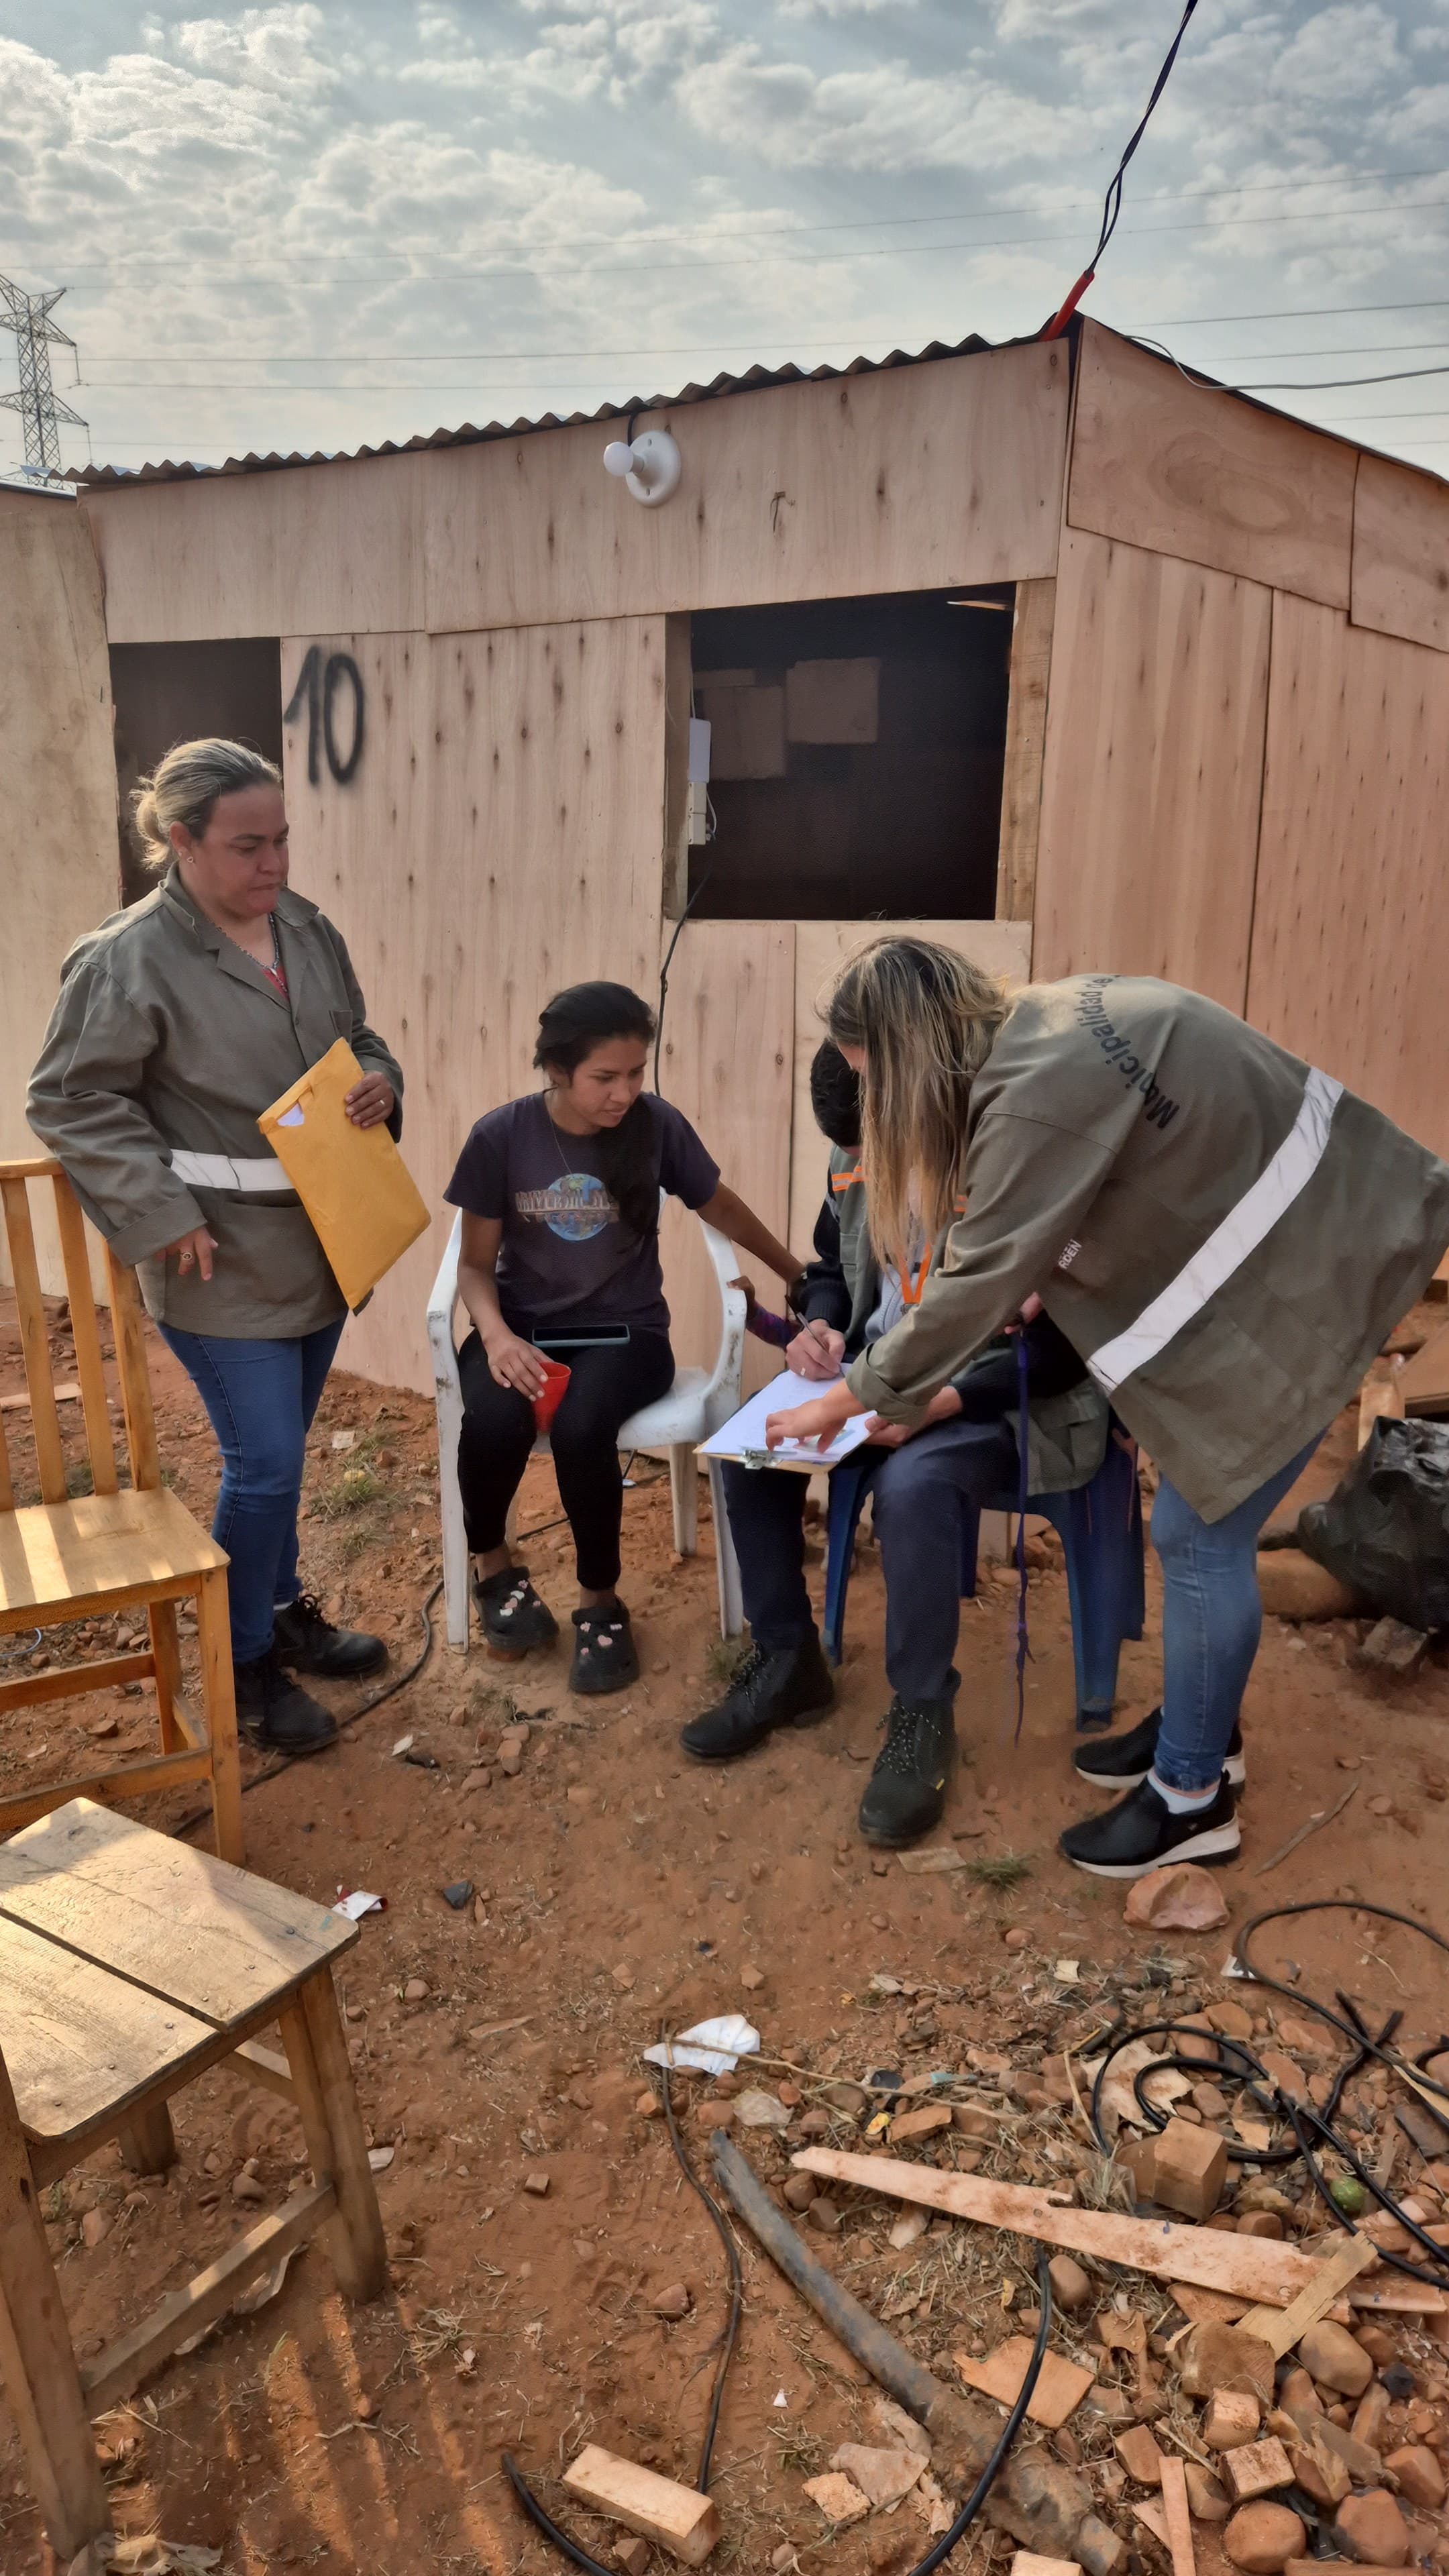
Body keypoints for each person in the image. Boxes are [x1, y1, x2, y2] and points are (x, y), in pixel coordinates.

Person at [770, 940, 1449, 1878]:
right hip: (1321, 1236)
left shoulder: (1028, 1095)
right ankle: (1205, 1733)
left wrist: (849, 1399)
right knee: (1194, 1532)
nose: (875, 1107)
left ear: (910, 1052)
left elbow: (973, 1285)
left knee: (1196, 1538)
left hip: (1325, 1264)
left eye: (870, 1079)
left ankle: (1191, 1800)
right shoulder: (1042, 1029)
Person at [28, 737, 402, 1756]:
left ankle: (278, 1611)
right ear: (182, 840)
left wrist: (382, 1081)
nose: (273, 863)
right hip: (215, 1254)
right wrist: (160, 1212)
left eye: (281, 839)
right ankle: (243, 1670)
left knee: (282, 1455)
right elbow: (68, 1097)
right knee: (265, 1462)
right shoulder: (127, 959)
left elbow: (358, 1039)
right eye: (247, 846)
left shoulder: (305, 929)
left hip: (324, 1234)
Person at [682, 1041, 1106, 1845]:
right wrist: (821, 1324)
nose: (862, 1167)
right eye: (852, 1152)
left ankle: (921, 1711)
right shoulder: (852, 1157)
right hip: (875, 1378)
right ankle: (789, 1660)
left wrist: (942, 1400)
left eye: (874, 1148)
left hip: (994, 1398)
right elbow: (829, 1267)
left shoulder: (1010, 1166)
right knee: (754, 1451)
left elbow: (1065, 1347)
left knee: (912, 1489)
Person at [445, 981, 804, 1694]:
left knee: (583, 1427)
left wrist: (796, 1271)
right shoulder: (501, 1137)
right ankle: (494, 1568)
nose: (625, 1093)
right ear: (557, 1070)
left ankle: (600, 1602)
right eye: (605, 1077)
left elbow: (719, 1205)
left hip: (629, 1335)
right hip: (522, 1328)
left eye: (637, 1073)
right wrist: (497, 1337)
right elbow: (475, 1267)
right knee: (491, 1420)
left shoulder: (656, 1126)